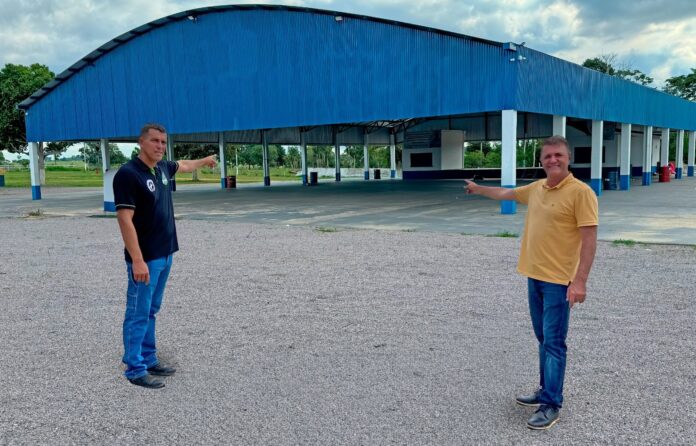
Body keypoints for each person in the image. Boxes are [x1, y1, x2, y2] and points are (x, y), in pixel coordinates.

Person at [464, 135, 598, 430]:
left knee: (554, 342)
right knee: (543, 339)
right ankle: (544, 389)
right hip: (534, 276)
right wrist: (478, 189)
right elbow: (506, 193)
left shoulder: (581, 193)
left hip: (559, 281)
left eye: (558, 155)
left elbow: (589, 239)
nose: (553, 160)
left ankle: (551, 403)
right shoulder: (537, 188)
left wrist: (580, 282)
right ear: (541, 161)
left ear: (569, 158)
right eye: (548, 156)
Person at [113, 123, 217, 389]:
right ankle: (134, 368)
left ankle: (148, 358)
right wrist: (137, 260)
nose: (160, 146)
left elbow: (184, 165)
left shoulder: (161, 168)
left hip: (165, 253)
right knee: (138, 311)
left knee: (151, 310)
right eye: (154, 141)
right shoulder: (128, 174)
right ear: (141, 142)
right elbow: (124, 219)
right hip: (146, 258)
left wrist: (204, 161)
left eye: (162, 141)